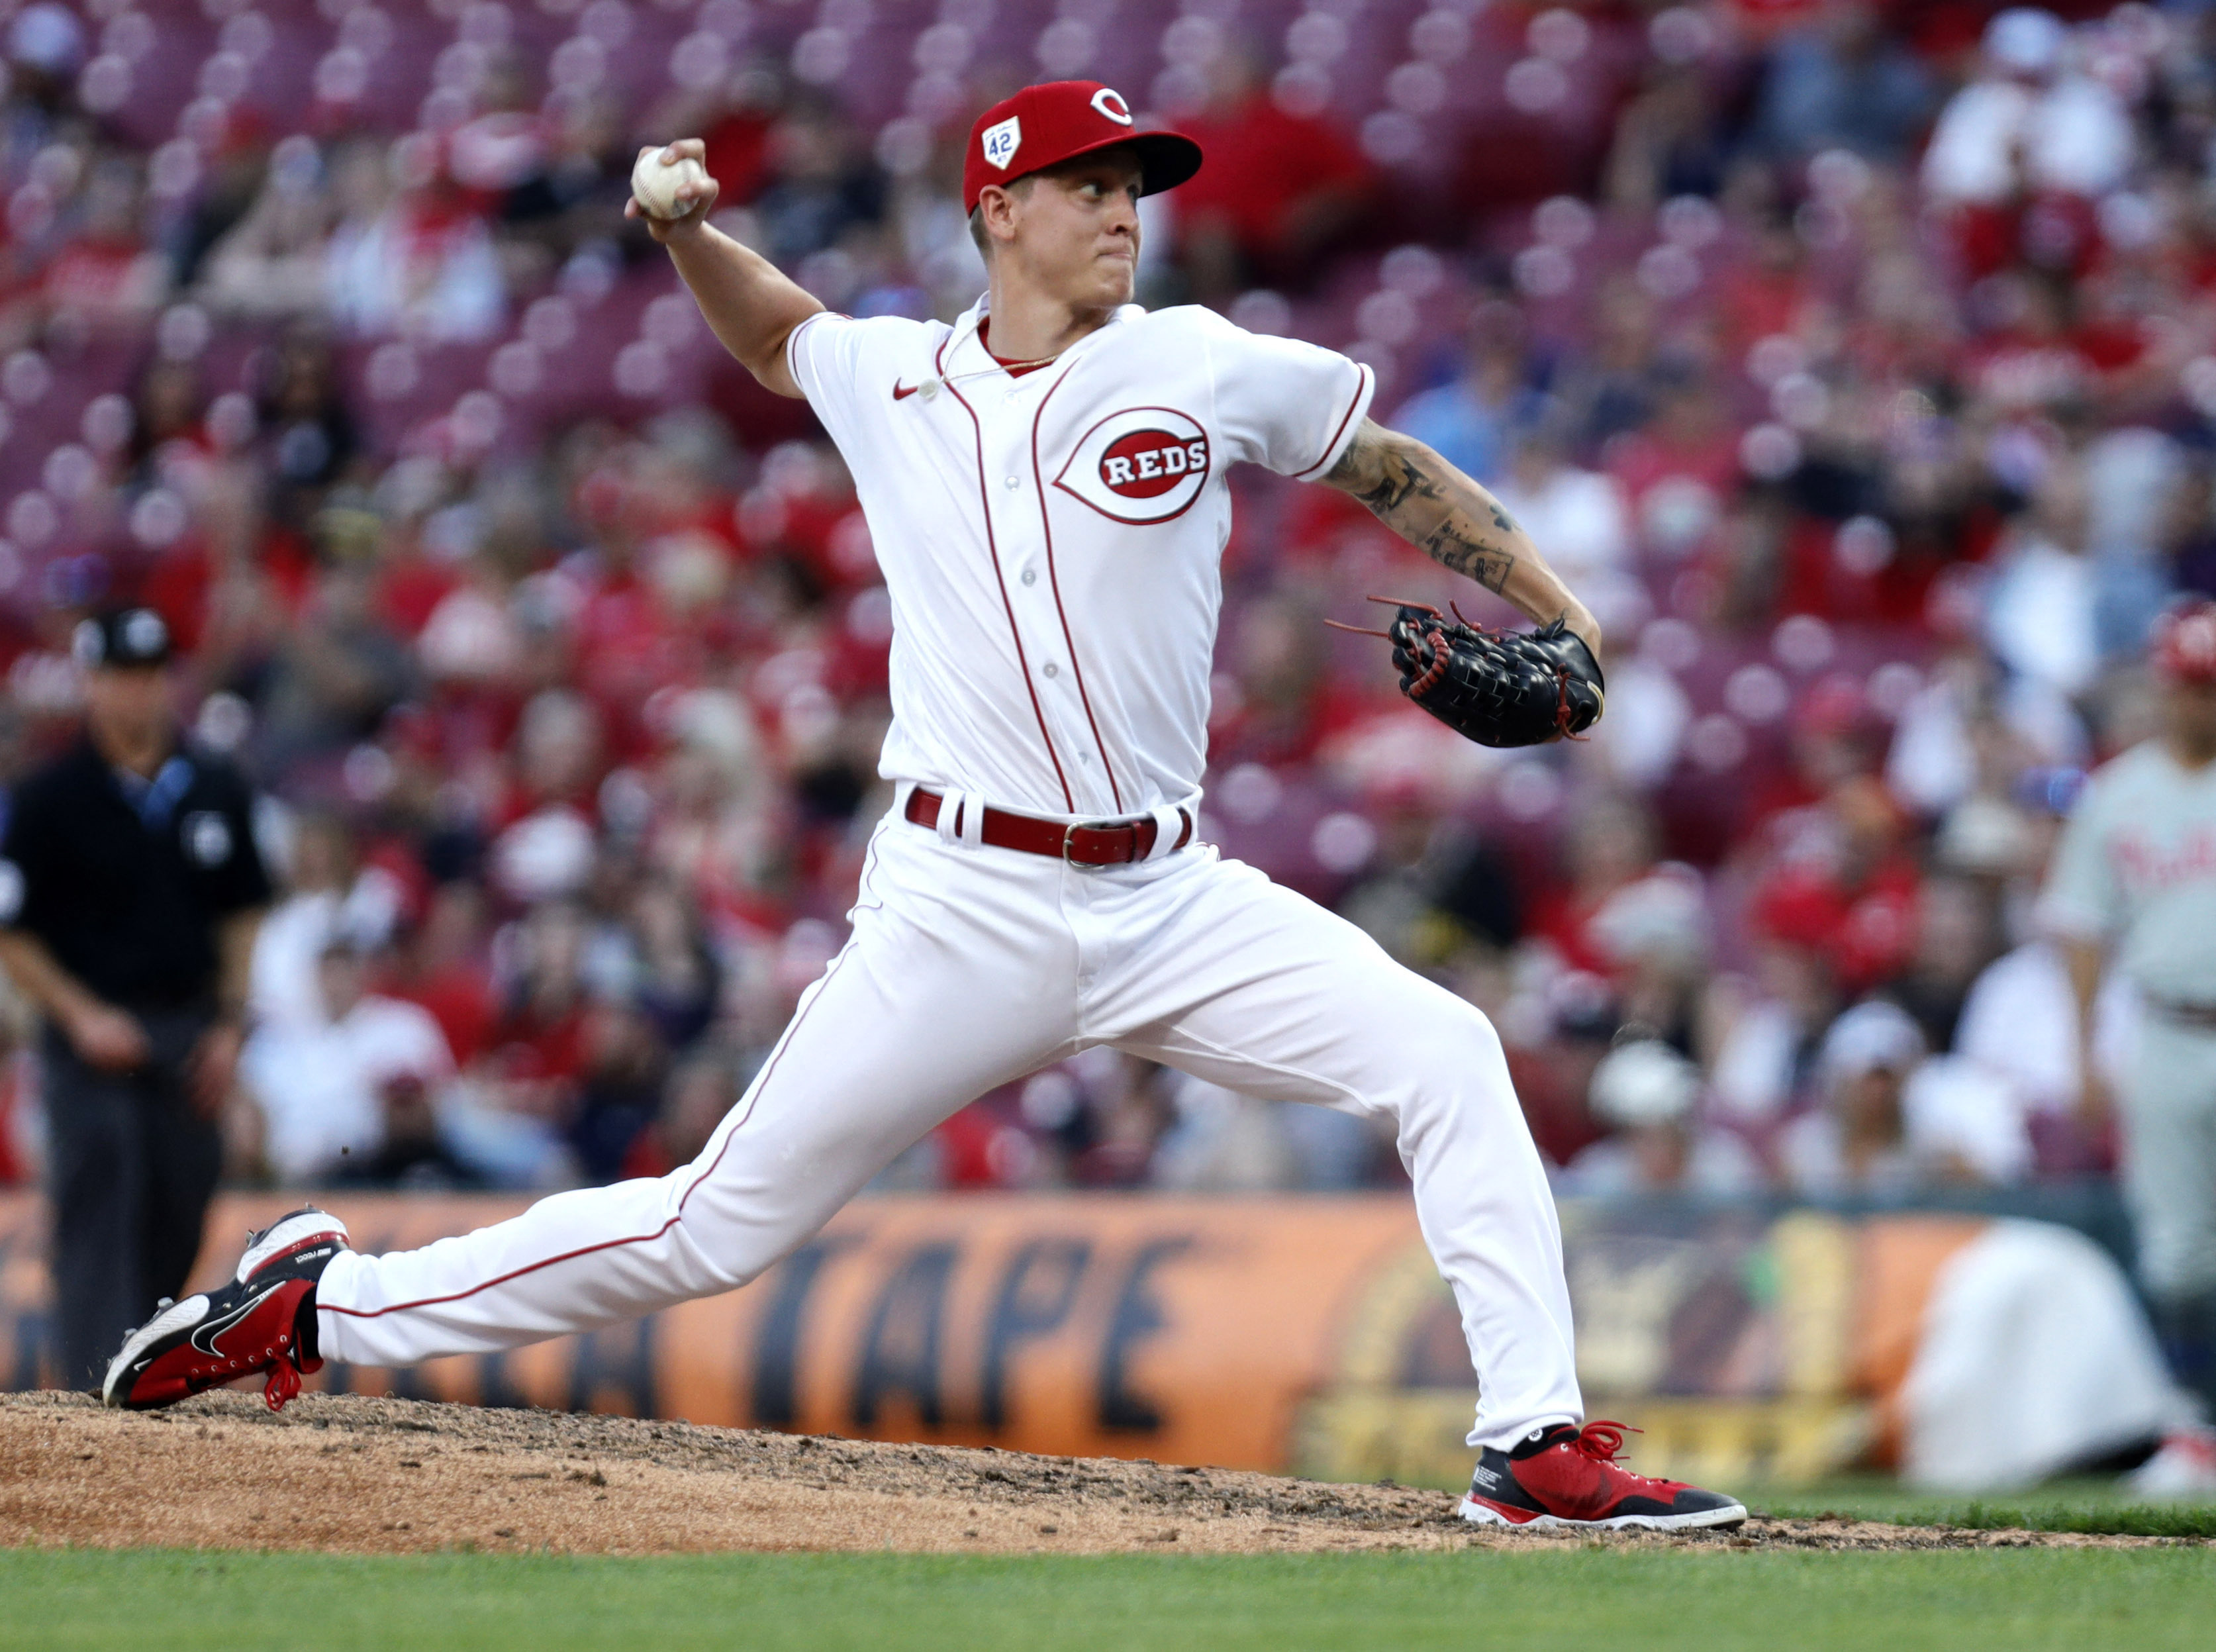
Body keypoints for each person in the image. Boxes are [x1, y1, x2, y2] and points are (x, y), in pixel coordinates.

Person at [101, 81, 1743, 1532]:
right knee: (711, 1228)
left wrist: (1563, 614)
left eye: (1136, 185)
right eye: (1091, 182)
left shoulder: (1197, 361)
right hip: (962, 904)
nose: (1124, 209)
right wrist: (684, 231)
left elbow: (1387, 466)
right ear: (999, 209)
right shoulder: (891, 380)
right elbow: (772, 332)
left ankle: (1528, 1444)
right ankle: (325, 1303)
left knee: (1445, 1050)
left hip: (1173, 898)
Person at [0, 608, 270, 1386]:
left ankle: (141, 1355)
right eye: (120, 676)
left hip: (186, 1025)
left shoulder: (215, 784)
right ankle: (95, 1378)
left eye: (149, 675)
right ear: (91, 683)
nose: (136, 692)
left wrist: (228, 1025)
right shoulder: (52, 796)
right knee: (102, 1177)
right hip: (91, 1034)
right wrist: (80, 1015)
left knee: (184, 1189)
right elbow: (14, 929)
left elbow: (243, 912)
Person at [2041, 600, 2216, 1494]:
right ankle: (2191, 1429)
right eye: (2191, 686)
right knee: (2178, 1252)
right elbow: (2079, 927)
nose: (2202, 703)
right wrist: (2081, 1051)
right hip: (2166, 1030)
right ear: (2164, 684)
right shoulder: (2118, 791)